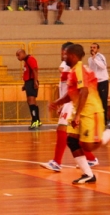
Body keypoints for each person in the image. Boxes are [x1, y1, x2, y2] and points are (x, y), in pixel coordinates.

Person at [49, 44, 110, 184]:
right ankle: (88, 174)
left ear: (73, 56)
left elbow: (84, 91)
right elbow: (72, 94)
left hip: (90, 112)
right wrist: (57, 102)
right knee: (71, 140)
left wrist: (77, 115)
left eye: (66, 55)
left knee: (88, 146)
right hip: (81, 111)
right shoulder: (72, 71)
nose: (64, 57)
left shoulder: (80, 70)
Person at [41, 42, 100, 172]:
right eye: (63, 53)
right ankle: (90, 159)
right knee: (73, 137)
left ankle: (57, 162)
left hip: (75, 103)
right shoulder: (71, 67)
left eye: (66, 53)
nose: (64, 55)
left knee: (63, 131)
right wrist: (60, 102)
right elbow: (68, 87)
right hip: (71, 102)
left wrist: (63, 103)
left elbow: (79, 88)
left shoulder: (72, 67)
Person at [16, 49, 41, 129]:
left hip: (31, 82)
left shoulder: (30, 59)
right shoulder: (26, 61)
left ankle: (35, 120)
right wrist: (25, 85)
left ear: (23, 53)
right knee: (31, 101)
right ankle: (37, 120)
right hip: (28, 83)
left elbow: (35, 70)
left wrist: (35, 82)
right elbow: (27, 73)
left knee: (31, 101)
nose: (18, 57)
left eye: (18, 55)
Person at [88, 43, 109, 124]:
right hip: (94, 82)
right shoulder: (90, 59)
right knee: (95, 101)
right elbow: (92, 70)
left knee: (103, 101)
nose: (92, 49)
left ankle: (104, 121)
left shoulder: (100, 57)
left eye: (94, 47)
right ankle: (96, 120)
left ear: (98, 49)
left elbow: (103, 66)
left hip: (103, 81)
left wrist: (95, 59)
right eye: (91, 47)